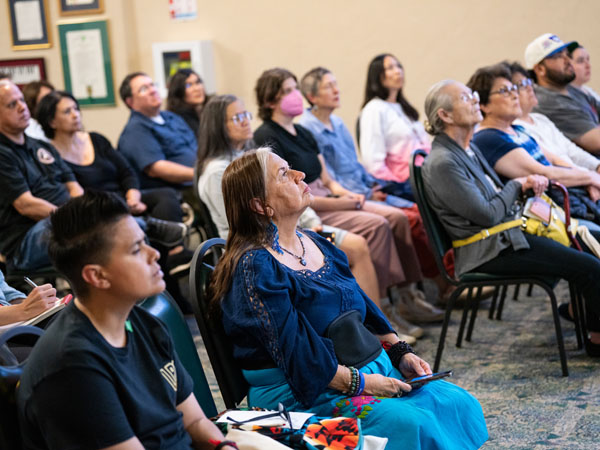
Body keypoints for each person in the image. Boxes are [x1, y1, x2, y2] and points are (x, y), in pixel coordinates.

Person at [210, 148, 488, 449]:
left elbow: (362, 304)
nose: (300, 175)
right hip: (305, 392)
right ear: (260, 205)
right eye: (283, 174)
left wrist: (400, 352)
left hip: (359, 369)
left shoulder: (313, 240)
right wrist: (365, 384)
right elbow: (300, 359)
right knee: (411, 424)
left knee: (458, 403)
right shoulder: (255, 266)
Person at [17, 191, 237, 450]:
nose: (154, 254)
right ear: (97, 276)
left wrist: (223, 447)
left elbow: (196, 422)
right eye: (136, 249)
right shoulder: (72, 365)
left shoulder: (145, 323)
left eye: (145, 242)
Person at [197, 94, 419, 338]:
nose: (245, 121)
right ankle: (369, 327)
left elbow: (297, 196)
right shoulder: (219, 172)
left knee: (343, 244)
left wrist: (315, 225)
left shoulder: (249, 156)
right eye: (236, 117)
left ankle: (377, 326)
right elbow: (243, 222)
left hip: (297, 231)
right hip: (267, 242)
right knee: (355, 245)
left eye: (245, 115)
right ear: (218, 126)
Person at [421, 78, 600, 357]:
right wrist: (517, 183)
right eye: (466, 98)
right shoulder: (443, 161)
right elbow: (488, 215)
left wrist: (522, 185)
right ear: (445, 115)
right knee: (589, 266)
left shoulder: (467, 148)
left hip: (507, 235)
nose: (474, 99)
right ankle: (596, 340)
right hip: (489, 247)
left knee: (590, 242)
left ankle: (586, 318)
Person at [254, 67, 443, 323]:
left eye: (295, 88)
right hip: (308, 205)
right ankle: (383, 308)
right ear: (268, 100)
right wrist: (344, 201)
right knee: (377, 225)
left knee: (398, 217)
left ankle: (408, 295)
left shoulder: (304, 133)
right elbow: (287, 191)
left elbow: (328, 179)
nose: (296, 95)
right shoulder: (266, 135)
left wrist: (347, 195)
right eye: (287, 91)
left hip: (328, 195)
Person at [36, 90, 193, 277]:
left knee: (165, 195)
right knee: (134, 226)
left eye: (76, 109)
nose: (75, 114)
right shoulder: (50, 154)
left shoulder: (96, 139)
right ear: (52, 121)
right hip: (99, 209)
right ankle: (161, 259)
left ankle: (174, 253)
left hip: (125, 197)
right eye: (67, 111)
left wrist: (132, 195)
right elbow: (73, 195)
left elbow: (126, 171)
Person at [468, 63, 600, 226]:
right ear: (484, 105)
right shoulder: (487, 138)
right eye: (504, 91)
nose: (514, 95)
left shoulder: (518, 129)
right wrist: (591, 178)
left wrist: (589, 181)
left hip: (573, 196)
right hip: (554, 213)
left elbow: (556, 160)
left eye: (513, 89)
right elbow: (545, 173)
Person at [0, 80, 83, 271]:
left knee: (120, 227)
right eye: (12, 104)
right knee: (94, 236)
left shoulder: (42, 146)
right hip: (27, 238)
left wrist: (84, 212)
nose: (22, 107)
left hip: (62, 221)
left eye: (21, 100)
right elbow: (26, 205)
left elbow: (73, 186)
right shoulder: (3, 154)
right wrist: (73, 218)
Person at [509, 61, 600, 173]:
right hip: (569, 181)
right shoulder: (516, 128)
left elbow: (571, 150)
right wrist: (590, 178)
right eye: (522, 85)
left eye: (528, 82)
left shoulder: (540, 118)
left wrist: (597, 166)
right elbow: (553, 162)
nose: (529, 88)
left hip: (582, 175)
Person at [117, 72, 197, 196]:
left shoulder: (172, 117)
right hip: (179, 192)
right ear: (130, 102)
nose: (152, 91)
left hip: (199, 181)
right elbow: (157, 169)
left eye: (152, 85)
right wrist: (199, 174)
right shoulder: (135, 131)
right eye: (144, 89)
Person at [359, 53, 430, 188]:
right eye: (390, 68)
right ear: (377, 76)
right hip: (404, 182)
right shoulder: (374, 109)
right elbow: (373, 163)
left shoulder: (404, 108)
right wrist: (396, 186)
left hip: (425, 172)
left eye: (399, 66)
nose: (398, 71)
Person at [525, 33, 600, 154]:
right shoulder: (548, 102)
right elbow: (597, 142)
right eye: (559, 56)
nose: (568, 60)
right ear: (540, 69)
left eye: (567, 54)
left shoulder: (570, 89)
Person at [167, 68, 208, 136]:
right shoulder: (178, 120)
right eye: (188, 85)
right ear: (178, 92)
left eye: (198, 82)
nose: (197, 89)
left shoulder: (204, 112)